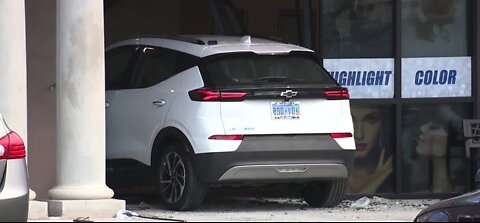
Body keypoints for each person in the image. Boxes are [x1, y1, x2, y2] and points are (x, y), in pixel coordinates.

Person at [349, 106, 394, 193]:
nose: (359, 135)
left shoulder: (397, 172)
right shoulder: (329, 170)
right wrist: (380, 177)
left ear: (382, 126)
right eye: (350, 120)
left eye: (370, 121)